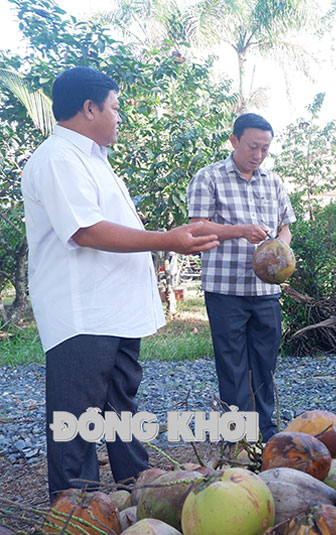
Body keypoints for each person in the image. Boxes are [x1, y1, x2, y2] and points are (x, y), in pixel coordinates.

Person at [22, 67, 219, 501]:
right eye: (115, 108)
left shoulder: (93, 159)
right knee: (76, 419)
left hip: (114, 313)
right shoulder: (58, 158)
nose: (119, 117)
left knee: (120, 410)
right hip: (84, 315)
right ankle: (77, 510)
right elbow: (85, 230)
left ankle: (136, 493)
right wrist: (167, 240)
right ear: (89, 108)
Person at [187, 113, 296, 441]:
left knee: (265, 360)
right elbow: (197, 227)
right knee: (232, 363)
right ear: (234, 140)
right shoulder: (209, 178)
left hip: (266, 291)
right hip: (225, 289)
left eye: (265, 148)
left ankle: (265, 430)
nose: (259, 154)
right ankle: (237, 433)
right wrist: (240, 231)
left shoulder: (273, 182)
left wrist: (279, 251)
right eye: (252, 146)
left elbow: (285, 229)